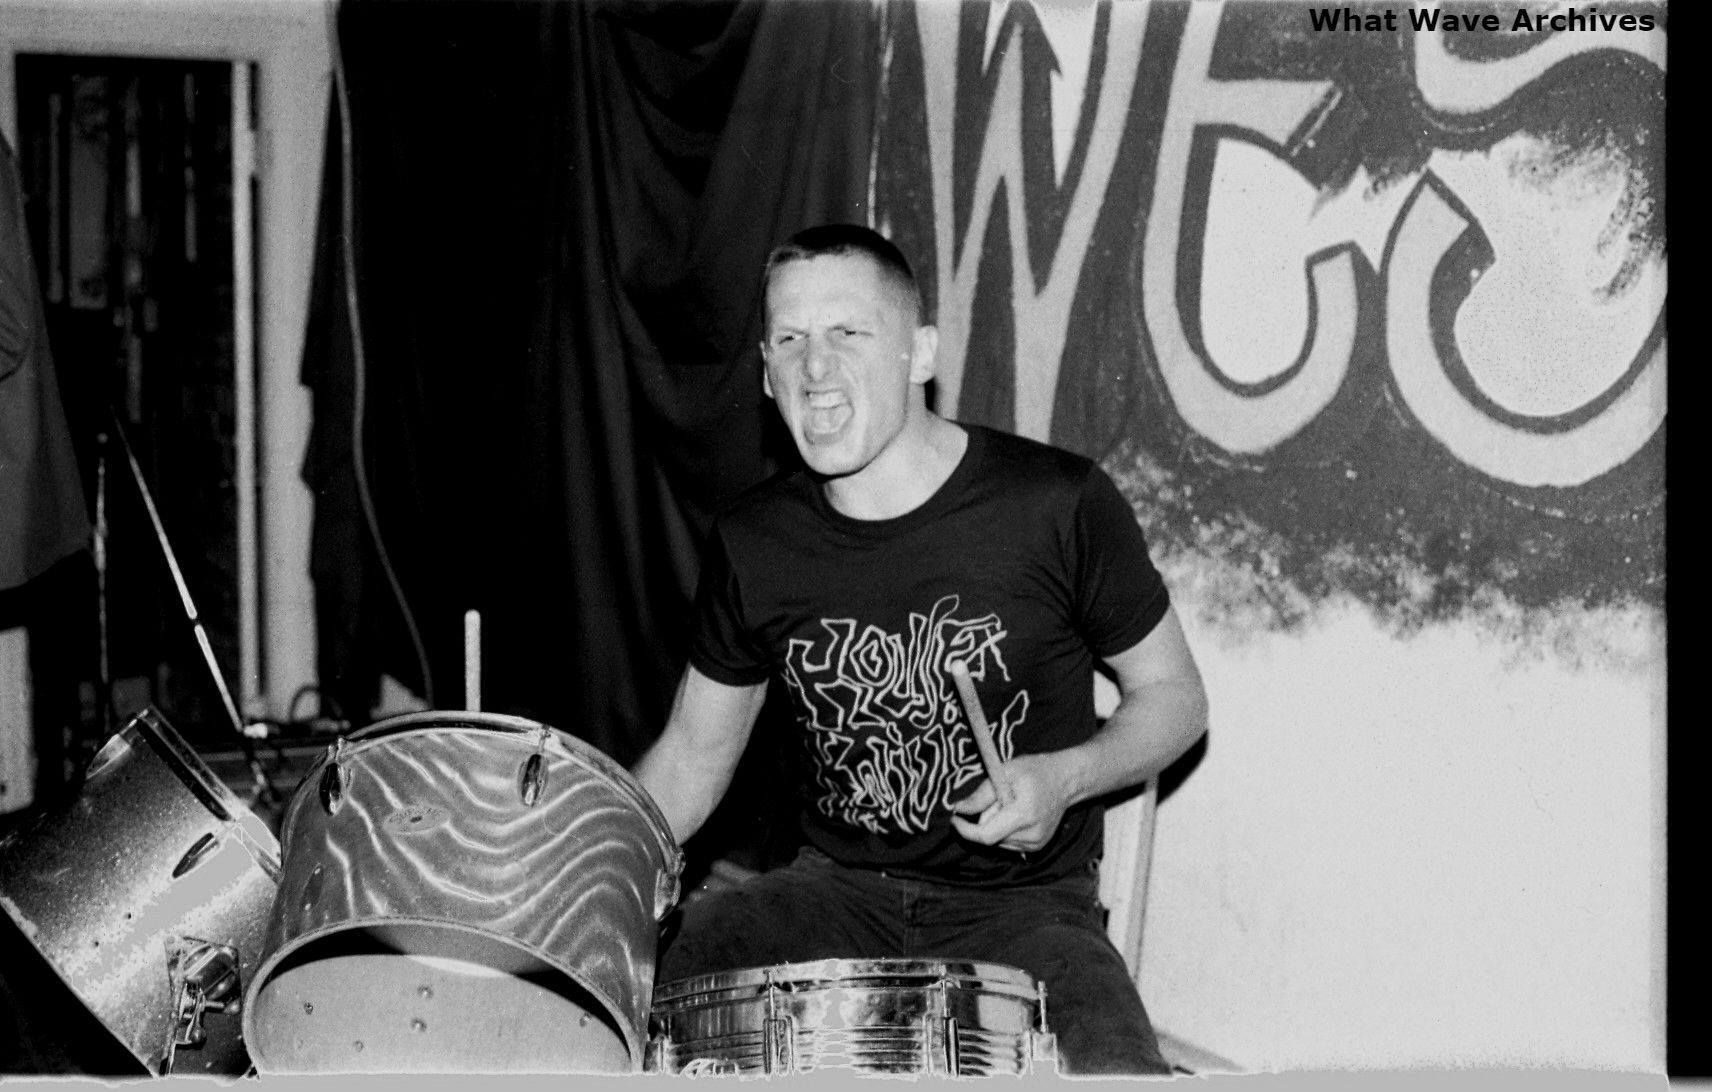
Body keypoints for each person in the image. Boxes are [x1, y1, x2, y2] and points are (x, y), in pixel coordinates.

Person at [633, 223, 1208, 1075]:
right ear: (764, 372)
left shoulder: (1055, 504)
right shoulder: (756, 544)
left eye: (849, 331)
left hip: (1027, 910)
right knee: (626, 1016)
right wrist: (579, 875)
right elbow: (691, 757)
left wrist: (1065, 778)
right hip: (832, 892)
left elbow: (1175, 697)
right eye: (789, 339)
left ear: (920, 353)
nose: (815, 366)